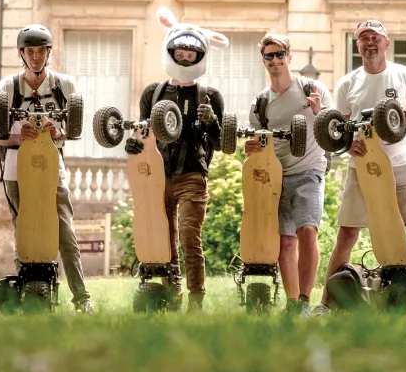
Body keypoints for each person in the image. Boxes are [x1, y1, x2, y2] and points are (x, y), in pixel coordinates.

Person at [326, 22, 406, 298]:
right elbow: (335, 128)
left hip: (403, 164)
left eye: (375, 37)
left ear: (386, 43)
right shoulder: (348, 84)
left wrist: (400, 111)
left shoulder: (404, 75)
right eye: (364, 38)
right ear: (358, 46)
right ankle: (325, 303)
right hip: (363, 168)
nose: (370, 42)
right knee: (347, 234)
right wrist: (346, 145)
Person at [0, 25, 95, 303]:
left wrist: (57, 133)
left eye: (41, 51)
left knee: (65, 233)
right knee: (24, 232)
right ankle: (30, 293)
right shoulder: (8, 87)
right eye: (30, 51)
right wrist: (17, 135)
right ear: (22, 54)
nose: (36, 57)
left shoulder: (64, 86)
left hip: (52, 169)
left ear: (49, 53)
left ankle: (81, 297)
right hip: (16, 170)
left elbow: (73, 130)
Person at [129, 26, 228, 303]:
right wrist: (134, 144)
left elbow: (221, 144)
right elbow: (143, 132)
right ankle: (171, 294)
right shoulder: (153, 93)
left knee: (188, 238)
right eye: (180, 54)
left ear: (200, 57)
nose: (184, 60)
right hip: (158, 176)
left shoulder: (210, 96)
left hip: (193, 176)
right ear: (171, 54)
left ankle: (196, 299)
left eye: (190, 55)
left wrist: (212, 121)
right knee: (164, 240)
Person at [249, 35, 327, 304]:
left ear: (289, 58)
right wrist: (253, 149)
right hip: (276, 177)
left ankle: (305, 300)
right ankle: (293, 305)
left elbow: (334, 130)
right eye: (269, 56)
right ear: (263, 61)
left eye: (280, 55)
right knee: (286, 242)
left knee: (307, 231)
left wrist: (319, 112)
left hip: (309, 170)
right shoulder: (260, 103)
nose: (275, 61)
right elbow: (261, 140)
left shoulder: (312, 89)